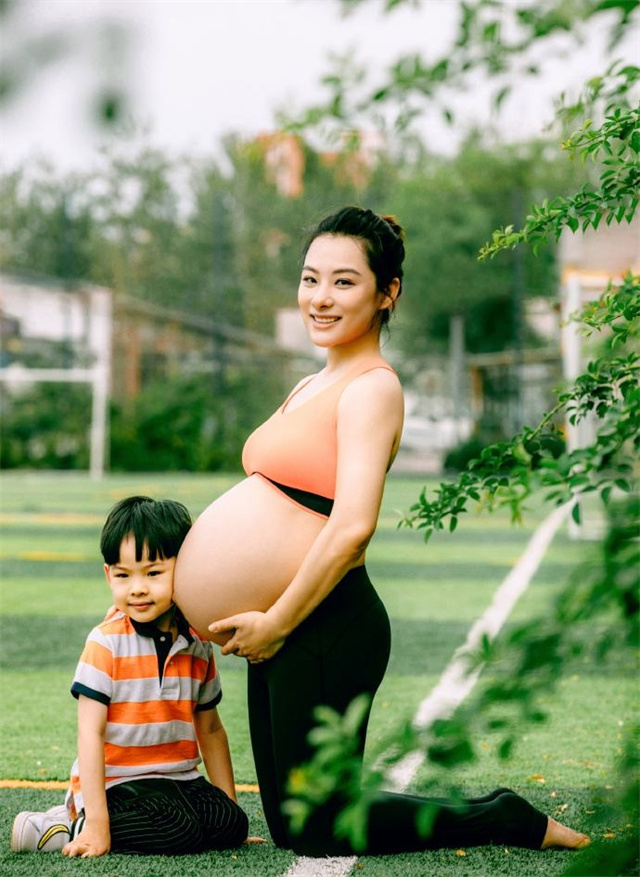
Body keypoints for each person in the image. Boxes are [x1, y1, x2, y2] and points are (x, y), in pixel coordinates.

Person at [174, 206, 591, 856]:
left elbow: (352, 527)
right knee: (296, 825)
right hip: (281, 626)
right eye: (311, 278)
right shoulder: (313, 381)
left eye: (343, 282)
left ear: (387, 292)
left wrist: (278, 621)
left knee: (320, 825)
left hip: (322, 625)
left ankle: (501, 815)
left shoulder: (372, 388)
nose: (319, 297)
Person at [11, 496, 249, 857]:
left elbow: (211, 729)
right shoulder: (105, 643)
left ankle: (207, 820)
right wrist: (98, 827)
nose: (136, 588)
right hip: (118, 784)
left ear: (186, 569)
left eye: (153, 573)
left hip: (178, 779)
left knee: (229, 823)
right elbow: (91, 734)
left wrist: (232, 813)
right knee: (178, 831)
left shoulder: (198, 645)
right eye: (123, 575)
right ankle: (68, 826)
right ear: (109, 574)